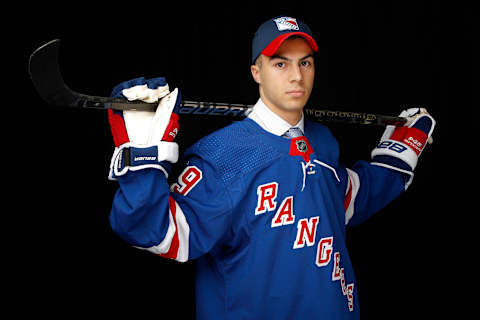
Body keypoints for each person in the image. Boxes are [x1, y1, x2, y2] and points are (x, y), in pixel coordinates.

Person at [106, 16, 435, 319]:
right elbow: (155, 231)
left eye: (305, 62)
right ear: (256, 72)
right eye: (280, 63)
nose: (297, 76)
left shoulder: (323, 142)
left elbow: (348, 200)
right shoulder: (221, 156)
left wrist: (400, 155)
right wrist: (143, 160)